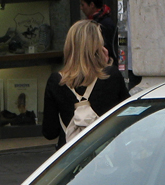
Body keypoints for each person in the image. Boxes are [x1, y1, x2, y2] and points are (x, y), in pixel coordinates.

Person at [42, 19, 130, 147]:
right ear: (98, 46)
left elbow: (50, 132)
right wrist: (105, 64)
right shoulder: (111, 75)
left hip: (72, 159)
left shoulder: (56, 81)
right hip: (109, 154)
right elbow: (127, 116)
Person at [79, 0, 118, 67]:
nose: (81, 8)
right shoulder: (95, 21)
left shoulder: (105, 24)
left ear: (92, 5)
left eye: (83, 5)